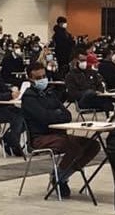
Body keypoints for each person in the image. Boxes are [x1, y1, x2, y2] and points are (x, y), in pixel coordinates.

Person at [21, 62, 100, 198]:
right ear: (30, 79)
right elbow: (44, 118)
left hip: (60, 133)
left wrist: (55, 114)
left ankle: (61, 175)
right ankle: (59, 178)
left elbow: (67, 115)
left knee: (93, 145)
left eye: (44, 76)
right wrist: (56, 113)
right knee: (73, 147)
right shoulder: (29, 97)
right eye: (38, 78)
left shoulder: (50, 93)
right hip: (40, 137)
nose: (42, 80)